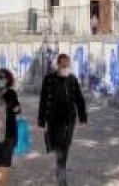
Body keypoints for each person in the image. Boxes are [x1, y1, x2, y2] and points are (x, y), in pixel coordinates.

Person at [38, 53, 87, 186]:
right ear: (58, 64)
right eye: (63, 64)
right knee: (60, 150)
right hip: (54, 121)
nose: (66, 66)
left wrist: (83, 117)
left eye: (68, 64)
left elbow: (79, 99)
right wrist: (41, 120)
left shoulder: (72, 79)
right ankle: (62, 179)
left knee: (65, 148)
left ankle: (60, 171)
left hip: (69, 121)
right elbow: (43, 100)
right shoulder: (49, 79)